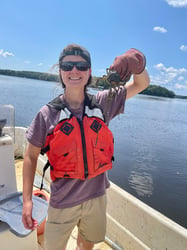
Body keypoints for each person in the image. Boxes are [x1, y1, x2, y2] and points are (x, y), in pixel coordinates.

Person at [22, 44, 150, 250]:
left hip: (96, 197)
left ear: (89, 71)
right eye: (68, 65)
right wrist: (27, 201)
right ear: (60, 70)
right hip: (62, 200)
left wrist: (138, 63)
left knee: (86, 245)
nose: (75, 70)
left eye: (81, 66)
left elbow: (141, 84)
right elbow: (30, 158)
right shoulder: (47, 114)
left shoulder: (103, 102)